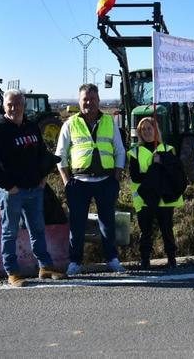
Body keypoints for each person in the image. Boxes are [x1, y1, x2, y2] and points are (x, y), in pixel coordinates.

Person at [0, 89, 66, 286]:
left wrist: (43, 178)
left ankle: (45, 266)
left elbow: (42, 154)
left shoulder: (32, 127)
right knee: (10, 232)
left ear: (24, 105)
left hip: (34, 190)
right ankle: (12, 271)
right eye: (10, 104)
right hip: (12, 192)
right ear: (4, 106)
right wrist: (9, 186)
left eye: (17, 104)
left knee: (37, 229)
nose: (14, 108)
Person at [56, 84, 127, 275]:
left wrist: (117, 176)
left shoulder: (109, 122)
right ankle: (75, 262)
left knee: (107, 223)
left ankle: (112, 259)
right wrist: (66, 180)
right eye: (85, 99)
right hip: (78, 183)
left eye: (92, 99)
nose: (89, 102)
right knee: (77, 225)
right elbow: (60, 155)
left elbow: (119, 151)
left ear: (99, 101)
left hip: (106, 181)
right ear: (79, 102)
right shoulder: (70, 124)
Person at [127, 117, 185, 270]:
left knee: (167, 230)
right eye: (143, 129)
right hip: (145, 198)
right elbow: (135, 176)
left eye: (149, 128)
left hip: (165, 199)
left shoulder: (167, 149)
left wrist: (162, 162)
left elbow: (175, 172)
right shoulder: (135, 152)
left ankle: (172, 259)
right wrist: (154, 167)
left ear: (156, 130)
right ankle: (145, 260)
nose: (146, 131)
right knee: (146, 231)